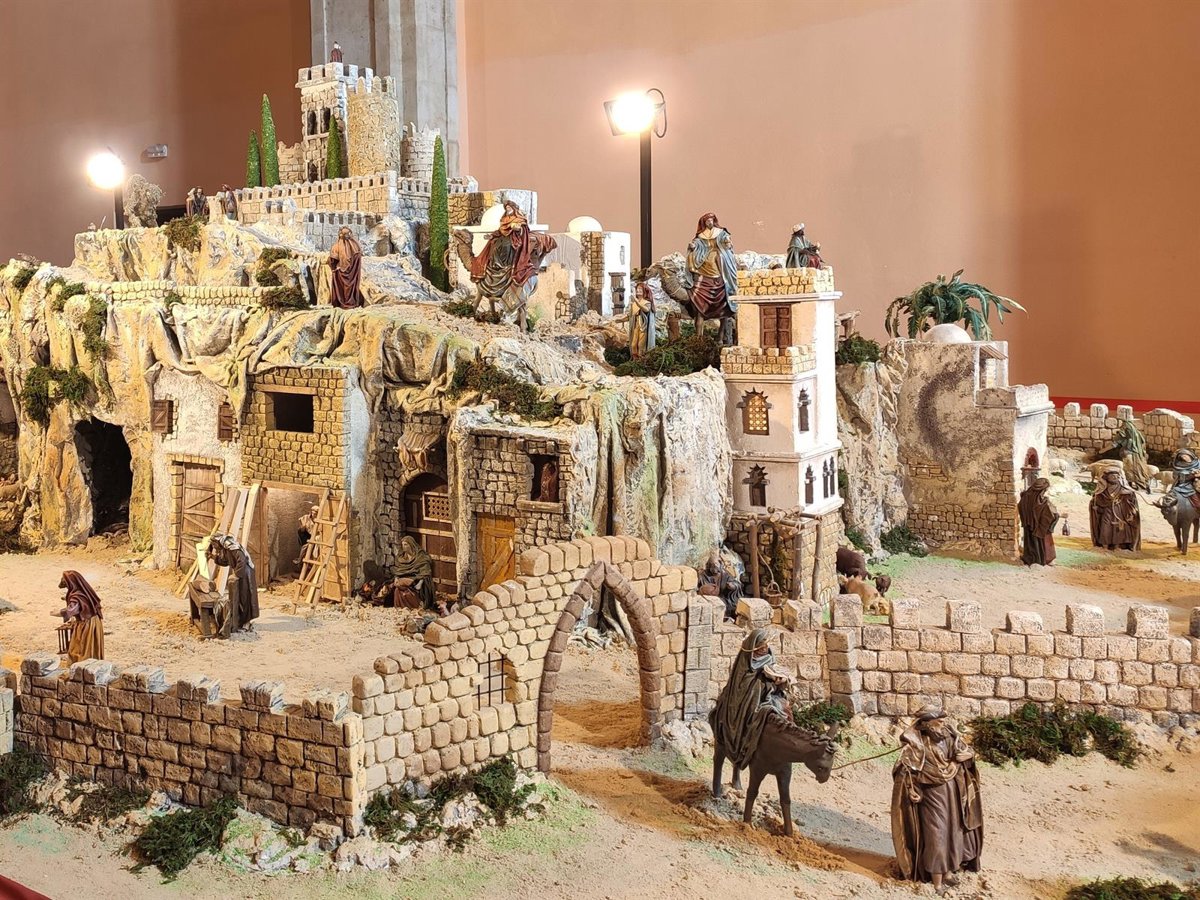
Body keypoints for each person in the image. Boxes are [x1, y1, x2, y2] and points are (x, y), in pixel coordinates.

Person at [891, 706, 983, 895]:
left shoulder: (949, 736)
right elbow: (906, 771)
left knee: (953, 832)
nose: (943, 724)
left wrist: (967, 756)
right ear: (927, 724)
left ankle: (948, 871)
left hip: (952, 793)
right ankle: (936, 881)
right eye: (939, 722)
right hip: (931, 797)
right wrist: (912, 790)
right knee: (936, 836)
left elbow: (965, 751)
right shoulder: (916, 744)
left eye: (943, 721)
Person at [460, 201, 557, 331]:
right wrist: (492, 235)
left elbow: (522, 230)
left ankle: (506, 267)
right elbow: (500, 231)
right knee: (494, 244)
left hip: (515, 241)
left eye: (510, 207)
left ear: (514, 208)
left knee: (505, 246)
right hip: (503, 239)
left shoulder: (519, 219)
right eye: (507, 207)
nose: (508, 209)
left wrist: (516, 227)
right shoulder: (504, 219)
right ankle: (494, 266)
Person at [708, 627, 793, 773]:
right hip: (747, 699)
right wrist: (760, 682)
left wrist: (780, 681)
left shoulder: (769, 654)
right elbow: (742, 686)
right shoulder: (745, 662)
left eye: (766, 645)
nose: (765, 648)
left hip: (769, 695)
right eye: (762, 646)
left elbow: (775, 671)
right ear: (755, 646)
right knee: (750, 715)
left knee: (785, 709)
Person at [684, 212, 738, 343]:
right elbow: (697, 243)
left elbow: (726, 240)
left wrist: (727, 241)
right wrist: (694, 246)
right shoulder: (701, 235)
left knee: (719, 257)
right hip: (704, 257)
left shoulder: (720, 232)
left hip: (718, 255)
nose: (710, 222)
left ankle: (725, 279)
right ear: (704, 223)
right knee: (694, 256)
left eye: (711, 220)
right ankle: (698, 280)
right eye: (707, 220)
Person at [205, 533, 259, 636]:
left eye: (214, 545)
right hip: (242, 572)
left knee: (245, 597)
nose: (214, 548)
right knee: (240, 597)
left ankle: (246, 622)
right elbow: (225, 561)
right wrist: (212, 557)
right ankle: (240, 621)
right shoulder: (226, 549)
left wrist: (237, 575)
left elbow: (242, 561)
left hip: (245, 573)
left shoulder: (232, 546)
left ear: (217, 542)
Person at [53, 571, 104, 664]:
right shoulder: (84, 592)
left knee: (82, 648)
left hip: (87, 624)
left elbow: (70, 610)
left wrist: (55, 613)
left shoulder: (77, 596)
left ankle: (84, 665)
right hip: (92, 621)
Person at [1089, 470, 1142, 550]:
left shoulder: (1124, 490)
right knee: (1105, 528)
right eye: (1112, 476)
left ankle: (1117, 546)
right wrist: (1095, 507)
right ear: (1107, 478)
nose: (1115, 478)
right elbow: (1097, 501)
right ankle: (1105, 547)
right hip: (1107, 513)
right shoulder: (1102, 491)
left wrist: (1131, 511)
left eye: (1117, 476)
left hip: (1120, 512)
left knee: (1119, 530)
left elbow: (1130, 501)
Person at [1017, 477, 1059, 565]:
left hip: (1028, 525)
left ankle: (1033, 558)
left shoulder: (1025, 497)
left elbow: (1021, 506)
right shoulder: (1042, 502)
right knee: (1042, 540)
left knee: (1032, 541)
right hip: (1038, 527)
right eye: (1045, 490)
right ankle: (1042, 558)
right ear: (1041, 490)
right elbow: (1047, 513)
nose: (1045, 492)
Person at [394, 535, 439, 613]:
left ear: (411, 545)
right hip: (406, 580)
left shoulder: (421, 556)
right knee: (397, 590)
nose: (403, 547)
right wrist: (396, 578)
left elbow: (425, 572)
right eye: (403, 545)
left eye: (406, 545)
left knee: (411, 589)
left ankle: (416, 606)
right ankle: (401, 608)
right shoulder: (402, 557)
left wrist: (420, 583)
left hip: (418, 580)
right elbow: (399, 571)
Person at [329, 226, 364, 309]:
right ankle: (349, 302)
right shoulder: (356, 246)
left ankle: (343, 302)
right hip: (352, 275)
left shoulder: (336, 246)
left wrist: (333, 266)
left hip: (341, 274)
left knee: (341, 288)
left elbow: (333, 261)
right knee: (348, 288)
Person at [1162, 449, 1200, 514]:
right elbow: (1177, 477)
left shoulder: (1197, 463)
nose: (1185, 458)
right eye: (1183, 457)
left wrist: (1197, 475)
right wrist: (1190, 475)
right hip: (1184, 485)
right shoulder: (1178, 466)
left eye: (1186, 456)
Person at [628, 280, 657, 359]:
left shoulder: (647, 302)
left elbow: (646, 310)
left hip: (643, 326)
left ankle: (642, 359)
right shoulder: (634, 304)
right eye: (637, 289)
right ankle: (635, 360)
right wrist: (620, 320)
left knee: (641, 345)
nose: (638, 290)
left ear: (644, 291)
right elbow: (630, 315)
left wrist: (637, 302)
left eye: (640, 289)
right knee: (633, 344)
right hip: (636, 325)